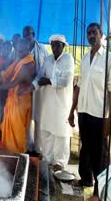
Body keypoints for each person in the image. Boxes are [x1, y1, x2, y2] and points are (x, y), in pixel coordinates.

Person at [68, 23, 111, 200]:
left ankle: (99, 190)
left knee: (100, 155)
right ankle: (86, 180)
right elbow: (79, 86)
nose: (91, 35)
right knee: (86, 148)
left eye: (94, 32)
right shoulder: (85, 57)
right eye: (88, 33)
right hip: (84, 112)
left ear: (101, 34)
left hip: (99, 115)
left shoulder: (109, 59)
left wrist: (110, 119)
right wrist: (72, 110)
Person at [33, 34, 74, 171]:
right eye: (53, 45)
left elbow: (66, 80)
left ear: (63, 46)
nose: (55, 47)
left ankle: (60, 162)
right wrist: (33, 86)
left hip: (62, 103)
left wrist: (49, 81)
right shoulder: (48, 59)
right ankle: (47, 157)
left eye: (58, 45)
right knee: (47, 130)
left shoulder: (68, 59)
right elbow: (40, 76)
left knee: (61, 132)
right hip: (47, 101)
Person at [0, 38, 35, 153]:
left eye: (21, 51)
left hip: (20, 102)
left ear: (28, 49)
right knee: (10, 129)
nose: (19, 53)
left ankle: (17, 154)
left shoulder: (26, 64)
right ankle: (10, 153)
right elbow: (8, 73)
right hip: (16, 100)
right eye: (17, 51)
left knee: (17, 131)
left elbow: (13, 83)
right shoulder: (20, 60)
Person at [22, 25, 49, 152]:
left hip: (39, 90)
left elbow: (48, 65)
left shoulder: (42, 48)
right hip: (25, 89)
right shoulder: (20, 49)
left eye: (30, 34)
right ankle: (28, 146)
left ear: (34, 35)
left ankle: (37, 149)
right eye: (25, 35)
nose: (28, 37)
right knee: (26, 118)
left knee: (38, 119)